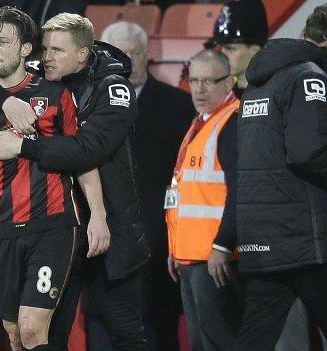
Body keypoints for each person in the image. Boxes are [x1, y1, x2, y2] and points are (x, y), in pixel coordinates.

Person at [0, 12, 150, 351]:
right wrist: (5, 99)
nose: (45, 57)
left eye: (56, 51)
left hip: (107, 231)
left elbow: (87, 150)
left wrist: (24, 145)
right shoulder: (42, 77)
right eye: (43, 49)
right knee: (41, 334)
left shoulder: (113, 89)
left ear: (82, 54)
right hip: (57, 228)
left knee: (124, 333)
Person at [236, 2, 327, 350]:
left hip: (263, 237)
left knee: (255, 339)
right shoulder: (310, 76)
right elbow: (307, 151)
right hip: (305, 237)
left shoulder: (259, 81)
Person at [100, 20, 195, 351]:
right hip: (107, 242)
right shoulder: (91, 107)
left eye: (134, 52)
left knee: (158, 330)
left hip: (158, 243)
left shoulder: (177, 105)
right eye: (119, 54)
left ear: (147, 55)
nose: (128, 61)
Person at [166, 49, 241, 350]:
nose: (198, 89)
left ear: (229, 82)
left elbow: (239, 191)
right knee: (200, 343)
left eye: (208, 81)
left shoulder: (231, 123)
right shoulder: (201, 123)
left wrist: (222, 245)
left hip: (215, 261)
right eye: (194, 80)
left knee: (219, 342)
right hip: (191, 257)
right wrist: (175, 248)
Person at [205, 0, 268, 98]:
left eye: (230, 49)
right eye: (221, 49)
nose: (223, 55)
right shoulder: (221, 97)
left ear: (255, 50)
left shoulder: (278, 95)